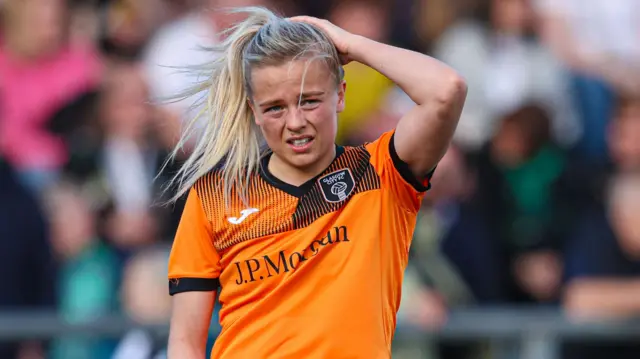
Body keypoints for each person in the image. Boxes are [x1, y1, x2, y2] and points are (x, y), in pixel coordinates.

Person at [165, 6, 467, 359]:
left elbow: (447, 90)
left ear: (340, 94)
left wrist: (350, 44)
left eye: (309, 101)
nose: (295, 121)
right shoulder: (216, 196)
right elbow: (185, 342)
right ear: (254, 111)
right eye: (275, 108)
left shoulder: (382, 173)